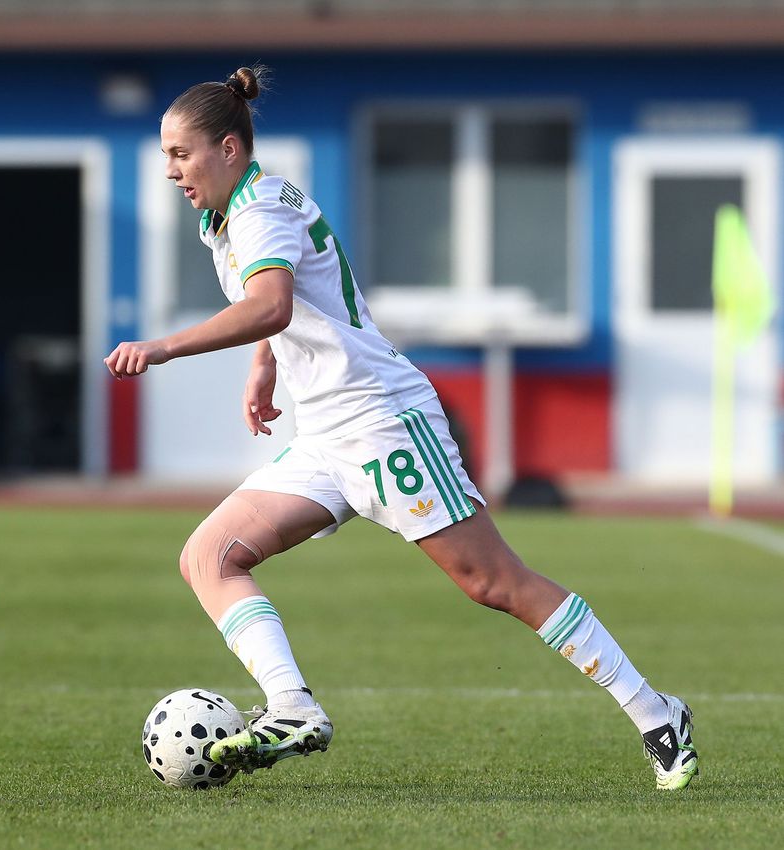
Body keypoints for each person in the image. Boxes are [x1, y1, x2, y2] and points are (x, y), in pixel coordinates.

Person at [105, 66, 698, 791]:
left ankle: (655, 711)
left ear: (228, 148)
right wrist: (264, 368)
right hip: (326, 433)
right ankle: (292, 707)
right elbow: (282, 298)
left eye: (180, 154)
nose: (170, 170)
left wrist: (165, 346)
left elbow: (271, 303)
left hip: (383, 422)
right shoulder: (225, 213)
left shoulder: (258, 207)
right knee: (209, 557)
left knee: (494, 582)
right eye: (165, 155)